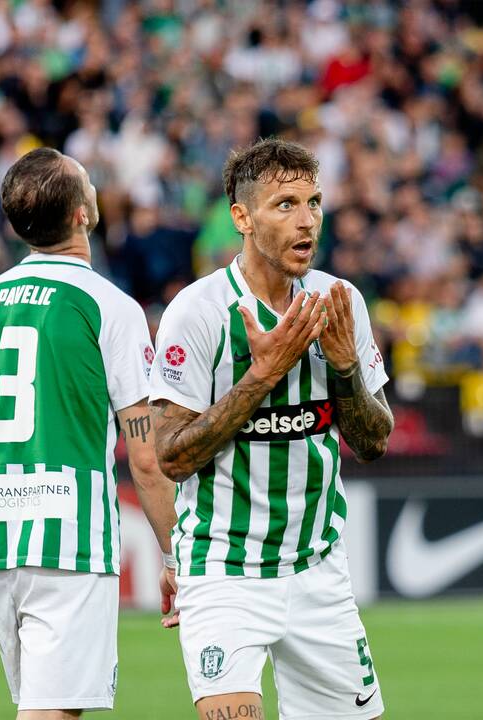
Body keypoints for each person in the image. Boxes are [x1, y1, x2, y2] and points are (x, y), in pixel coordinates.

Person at [0, 147, 178, 719]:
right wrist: (174, 554)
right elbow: (145, 454)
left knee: (42, 706)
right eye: (87, 181)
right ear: (83, 214)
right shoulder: (108, 306)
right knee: (53, 712)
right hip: (69, 537)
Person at [150, 137, 394, 720]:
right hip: (223, 570)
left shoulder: (341, 301)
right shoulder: (200, 311)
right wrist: (261, 376)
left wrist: (344, 369)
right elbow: (172, 457)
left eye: (313, 202)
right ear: (242, 217)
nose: (306, 220)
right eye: (285, 204)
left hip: (318, 570)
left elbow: (374, 441)